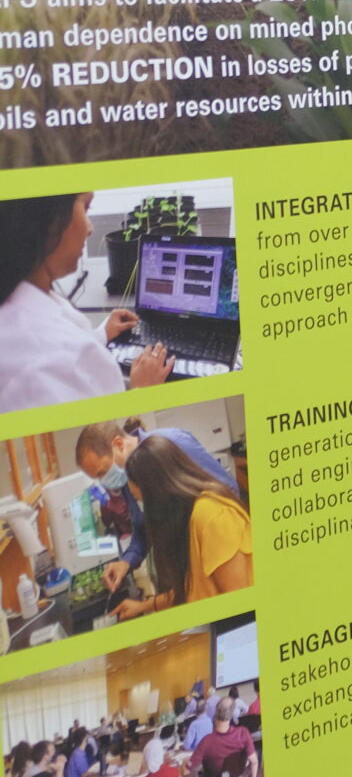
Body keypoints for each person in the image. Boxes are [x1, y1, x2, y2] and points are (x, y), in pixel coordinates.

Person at [0, 195, 171, 411]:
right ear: (48, 218)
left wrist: (102, 334)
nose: (90, 228)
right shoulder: (42, 369)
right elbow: (107, 428)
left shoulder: (21, 298)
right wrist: (142, 394)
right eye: (86, 207)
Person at [108, 437, 252, 617]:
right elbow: (194, 587)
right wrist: (145, 606)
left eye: (145, 501)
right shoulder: (193, 515)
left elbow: (241, 610)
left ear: (160, 490)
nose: (148, 512)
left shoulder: (212, 516)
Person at [191, 697, 258, 777]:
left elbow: (191, 767)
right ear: (232, 714)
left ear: (215, 713)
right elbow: (254, 761)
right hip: (237, 776)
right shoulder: (243, 733)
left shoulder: (206, 741)